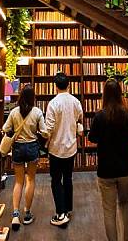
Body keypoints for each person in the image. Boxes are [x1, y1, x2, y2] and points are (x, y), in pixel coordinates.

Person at [88, 79, 128, 241]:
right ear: (120, 93)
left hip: (106, 170)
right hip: (126, 169)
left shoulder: (99, 116)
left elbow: (93, 139)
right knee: (124, 205)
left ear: (104, 94)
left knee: (108, 210)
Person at [2, 84, 48, 231]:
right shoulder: (37, 112)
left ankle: (15, 214)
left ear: (21, 96)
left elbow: (5, 129)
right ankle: (27, 214)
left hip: (18, 148)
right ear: (33, 97)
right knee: (31, 179)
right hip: (32, 147)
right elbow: (44, 131)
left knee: (18, 181)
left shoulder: (14, 112)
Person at [45, 72, 83, 228]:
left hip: (56, 148)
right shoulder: (75, 102)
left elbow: (48, 129)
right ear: (69, 85)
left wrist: (45, 140)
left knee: (55, 180)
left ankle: (61, 213)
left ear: (55, 86)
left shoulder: (53, 103)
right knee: (68, 179)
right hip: (71, 147)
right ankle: (67, 209)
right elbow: (79, 119)